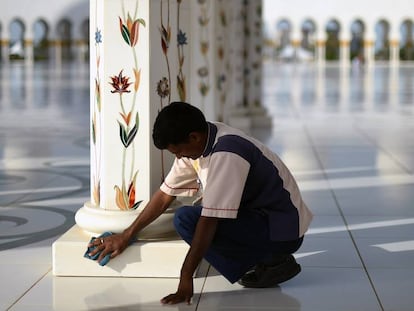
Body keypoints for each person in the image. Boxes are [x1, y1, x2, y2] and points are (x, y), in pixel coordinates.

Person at [88, 101, 313, 305]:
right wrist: (126, 235)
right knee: (195, 213)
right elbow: (165, 195)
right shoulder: (203, 139)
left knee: (188, 219)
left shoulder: (227, 152)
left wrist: (185, 278)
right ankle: (258, 259)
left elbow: (209, 220)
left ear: (193, 137)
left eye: (178, 151)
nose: (178, 157)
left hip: (282, 231)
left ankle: (273, 261)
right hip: (263, 220)